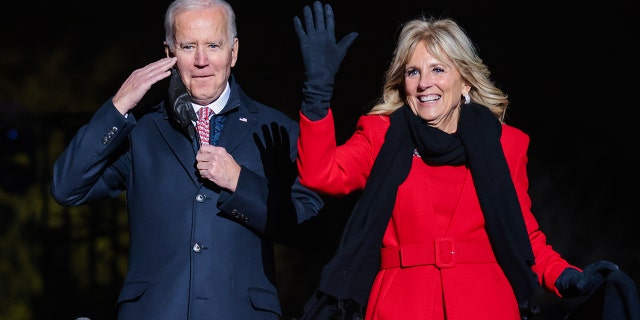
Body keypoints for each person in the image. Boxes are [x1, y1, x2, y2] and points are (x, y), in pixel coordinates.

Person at [292, 2, 638, 320]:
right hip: (400, 306)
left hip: (486, 305)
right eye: (413, 72)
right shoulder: (382, 135)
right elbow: (320, 173)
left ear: (465, 81)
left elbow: (524, 237)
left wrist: (569, 277)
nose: (424, 83)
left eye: (438, 69)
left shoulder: (504, 144)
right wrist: (318, 92)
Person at [50, 0, 324, 319]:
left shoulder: (275, 128)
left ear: (233, 52)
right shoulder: (141, 128)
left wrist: (240, 183)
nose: (201, 60)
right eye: (188, 46)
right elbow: (66, 187)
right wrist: (119, 104)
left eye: (213, 45)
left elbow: (311, 228)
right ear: (169, 53)